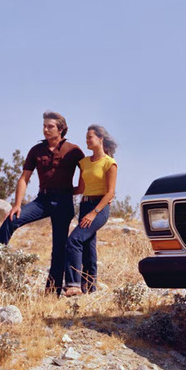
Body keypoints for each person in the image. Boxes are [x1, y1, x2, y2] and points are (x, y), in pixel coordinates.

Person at [0, 111, 84, 296]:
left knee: (59, 247)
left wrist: (79, 189)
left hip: (64, 201)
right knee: (11, 220)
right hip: (42, 200)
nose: (46, 129)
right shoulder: (36, 150)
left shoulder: (73, 150)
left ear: (61, 129)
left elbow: (89, 170)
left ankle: (52, 292)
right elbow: (24, 178)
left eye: (50, 126)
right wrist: (17, 204)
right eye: (44, 126)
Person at [63, 125, 117, 297]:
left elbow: (110, 193)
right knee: (88, 245)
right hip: (84, 205)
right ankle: (90, 286)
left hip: (99, 208)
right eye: (86, 137)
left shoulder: (110, 163)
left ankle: (74, 285)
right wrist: (60, 191)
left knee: (74, 240)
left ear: (100, 139)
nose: (87, 140)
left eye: (90, 137)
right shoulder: (84, 162)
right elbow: (80, 188)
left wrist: (94, 212)